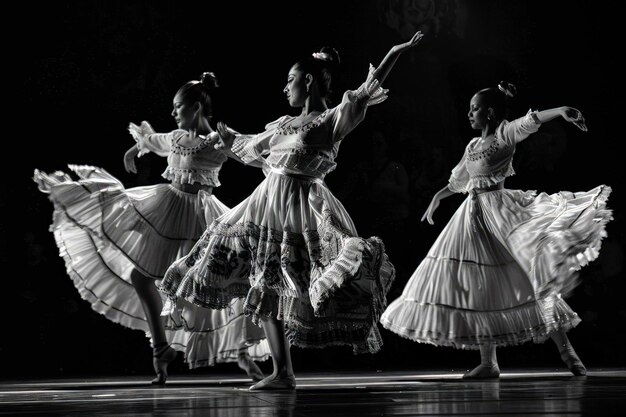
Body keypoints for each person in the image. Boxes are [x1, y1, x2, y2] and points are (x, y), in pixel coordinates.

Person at [160, 31, 424, 390]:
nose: (285, 87)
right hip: (268, 204)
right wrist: (229, 140)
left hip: (304, 207)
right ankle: (282, 372)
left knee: (295, 280)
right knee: (265, 282)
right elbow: (256, 152)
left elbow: (365, 90)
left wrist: (395, 50)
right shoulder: (284, 124)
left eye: (290, 80)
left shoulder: (331, 119)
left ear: (309, 80)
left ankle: (286, 371)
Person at [33, 73, 269, 385]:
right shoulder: (174, 137)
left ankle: (243, 351)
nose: (173, 113)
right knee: (141, 277)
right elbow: (152, 140)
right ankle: (161, 346)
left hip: (202, 216)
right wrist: (134, 149)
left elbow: (247, 152)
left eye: (178, 107)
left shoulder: (214, 142)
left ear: (196, 108)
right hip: (169, 208)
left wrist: (269, 164)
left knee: (224, 284)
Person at [380, 81, 613, 378]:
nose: (469, 114)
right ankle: (489, 362)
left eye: (474, 109)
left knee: (530, 279)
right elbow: (459, 180)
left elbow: (530, 121)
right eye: (468, 109)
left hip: (500, 214)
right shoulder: (472, 146)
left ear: (489, 113)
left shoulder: (504, 134)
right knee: (481, 286)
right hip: (473, 219)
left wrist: (562, 111)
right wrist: (438, 197)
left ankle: (567, 351)